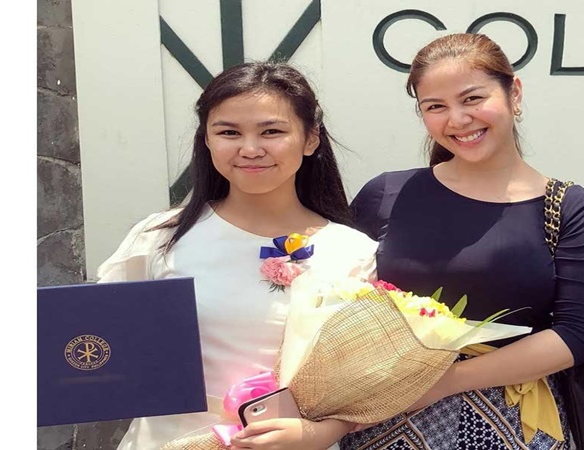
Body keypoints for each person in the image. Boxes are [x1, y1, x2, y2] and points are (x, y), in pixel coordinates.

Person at [341, 33, 584, 450]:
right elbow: (340, 304)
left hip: (511, 423)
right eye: (435, 107)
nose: (458, 119)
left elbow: (581, 333)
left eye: (472, 99)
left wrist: (441, 383)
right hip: (387, 421)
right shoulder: (387, 194)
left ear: (514, 93)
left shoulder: (569, 206)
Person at [98, 62, 376, 450]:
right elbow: (102, 341)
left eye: (271, 132)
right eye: (229, 132)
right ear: (207, 139)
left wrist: (317, 433)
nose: (250, 149)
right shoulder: (161, 237)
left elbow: (364, 383)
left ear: (311, 138)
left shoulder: (351, 251)